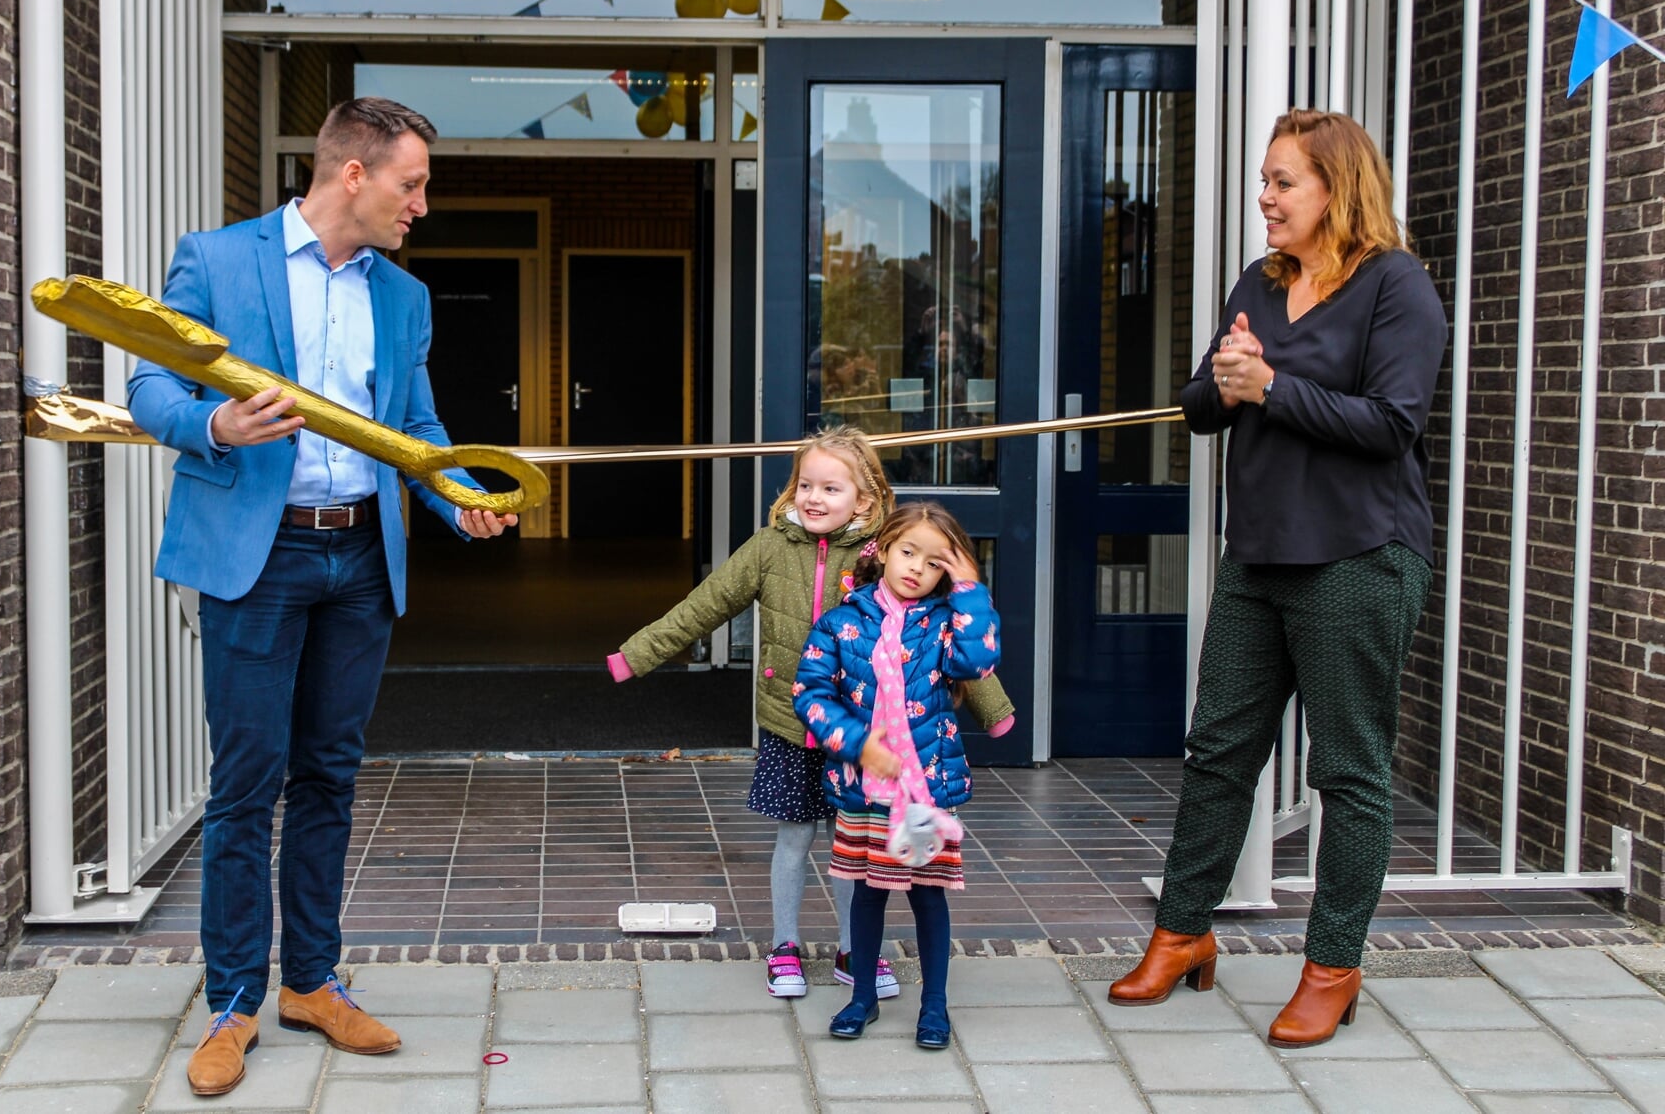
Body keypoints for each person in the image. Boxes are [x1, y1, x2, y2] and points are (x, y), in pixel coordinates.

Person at [126, 96, 517, 1097]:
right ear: (354, 172)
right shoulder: (216, 260)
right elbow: (149, 394)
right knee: (246, 781)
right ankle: (230, 1002)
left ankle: (309, 978)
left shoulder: (406, 296)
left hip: (359, 563)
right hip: (257, 560)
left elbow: (418, 434)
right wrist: (218, 425)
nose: (420, 205)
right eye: (412, 183)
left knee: (331, 777)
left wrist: (463, 502)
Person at [1107, 109, 1446, 1049]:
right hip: (1258, 554)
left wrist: (1273, 389)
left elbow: (1392, 425)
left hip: (1357, 556)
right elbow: (1201, 407)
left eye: (1283, 181)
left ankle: (1332, 967)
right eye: (1264, 180)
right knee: (1218, 751)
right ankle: (1182, 934)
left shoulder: (1396, 287)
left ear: (1337, 189)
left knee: (1348, 770)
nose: (1265, 196)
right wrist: (1223, 382)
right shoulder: (1258, 282)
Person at [608, 428, 1016, 1002]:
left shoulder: (883, 553)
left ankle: (856, 950)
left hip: (861, 734)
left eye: (831, 487)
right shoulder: (770, 548)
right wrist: (636, 655)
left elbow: (932, 636)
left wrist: (993, 708)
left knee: (854, 848)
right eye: (806, 485)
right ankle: (785, 944)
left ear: (866, 500)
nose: (814, 497)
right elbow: (707, 603)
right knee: (794, 840)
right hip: (790, 727)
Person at [795, 500, 1003, 1049]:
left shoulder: (945, 625)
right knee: (866, 893)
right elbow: (810, 694)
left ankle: (934, 1006)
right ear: (883, 548)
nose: (916, 567)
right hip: (863, 790)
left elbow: (978, 661)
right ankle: (862, 997)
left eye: (935, 562)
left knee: (928, 896)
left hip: (923, 790)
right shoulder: (840, 621)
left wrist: (970, 589)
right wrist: (859, 744)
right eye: (908, 551)